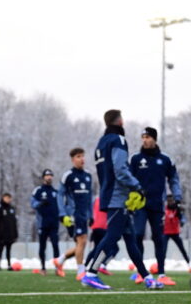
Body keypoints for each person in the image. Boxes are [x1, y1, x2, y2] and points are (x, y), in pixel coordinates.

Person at [81, 109, 161, 290]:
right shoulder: (119, 140)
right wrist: (137, 186)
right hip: (118, 197)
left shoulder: (101, 143)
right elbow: (120, 169)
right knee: (112, 236)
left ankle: (147, 277)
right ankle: (91, 273)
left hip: (108, 194)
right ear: (120, 122)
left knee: (130, 240)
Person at [129, 127, 183, 286]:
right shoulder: (135, 159)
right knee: (138, 235)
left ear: (154, 139)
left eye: (147, 137)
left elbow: (174, 179)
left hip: (157, 205)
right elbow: (127, 179)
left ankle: (161, 273)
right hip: (139, 205)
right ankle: (141, 273)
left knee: (158, 238)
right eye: (143, 137)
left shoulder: (165, 160)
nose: (145, 140)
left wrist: (177, 197)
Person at [55, 148, 93, 280]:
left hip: (83, 214)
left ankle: (60, 260)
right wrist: (62, 214)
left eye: (83, 156)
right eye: (78, 156)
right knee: (82, 241)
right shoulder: (68, 176)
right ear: (72, 159)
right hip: (72, 214)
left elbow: (89, 197)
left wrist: (91, 214)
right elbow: (59, 195)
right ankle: (80, 271)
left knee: (81, 243)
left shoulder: (88, 176)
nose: (82, 159)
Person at [31, 169, 60, 275]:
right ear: (43, 177)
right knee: (42, 246)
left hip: (54, 224)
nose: (49, 177)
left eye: (51, 175)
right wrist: (40, 203)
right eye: (47, 175)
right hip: (42, 224)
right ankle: (43, 268)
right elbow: (32, 203)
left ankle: (58, 268)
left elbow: (60, 206)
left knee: (55, 246)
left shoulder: (55, 192)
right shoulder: (38, 190)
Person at [163, 196, 191, 274]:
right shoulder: (164, 209)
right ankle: (161, 266)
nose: (170, 202)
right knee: (163, 250)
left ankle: (189, 264)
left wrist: (182, 221)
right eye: (168, 201)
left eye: (171, 201)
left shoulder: (177, 210)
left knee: (182, 249)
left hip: (175, 233)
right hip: (166, 232)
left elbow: (182, 218)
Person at [0, 193, 18, 270]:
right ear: (3, 198)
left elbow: (14, 222)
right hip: (2, 234)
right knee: (1, 248)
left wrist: (15, 233)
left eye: (9, 198)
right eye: (7, 198)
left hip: (10, 234)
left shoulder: (12, 208)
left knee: (9, 249)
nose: (8, 200)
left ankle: (9, 265)